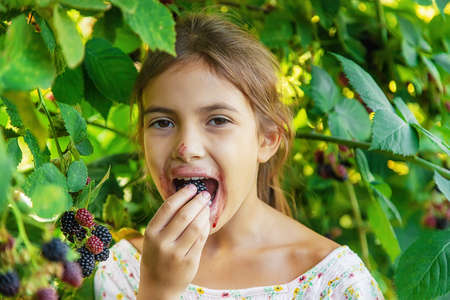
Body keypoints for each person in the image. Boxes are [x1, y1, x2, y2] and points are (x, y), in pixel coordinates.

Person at [94, 10, 385, 300]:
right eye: (163, 123)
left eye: (218, 120)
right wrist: (157, 290)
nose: (187, 148)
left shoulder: (334, 283)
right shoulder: (121, 269)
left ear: (267, 139)